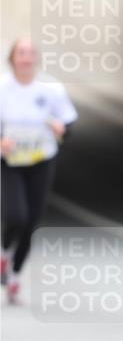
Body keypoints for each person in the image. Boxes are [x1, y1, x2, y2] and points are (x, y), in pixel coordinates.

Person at [0, 38, 77, 304]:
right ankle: (4, 252)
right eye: (21, 53)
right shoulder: (2, 87)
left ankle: (15, 275)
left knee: (32, 220)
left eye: (31, 53)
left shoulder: (51, 89)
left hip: (41, 159)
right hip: (10, 160)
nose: (26, 58)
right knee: (16, 215)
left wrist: (60, 130)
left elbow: (67, 122)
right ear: (12, 58)